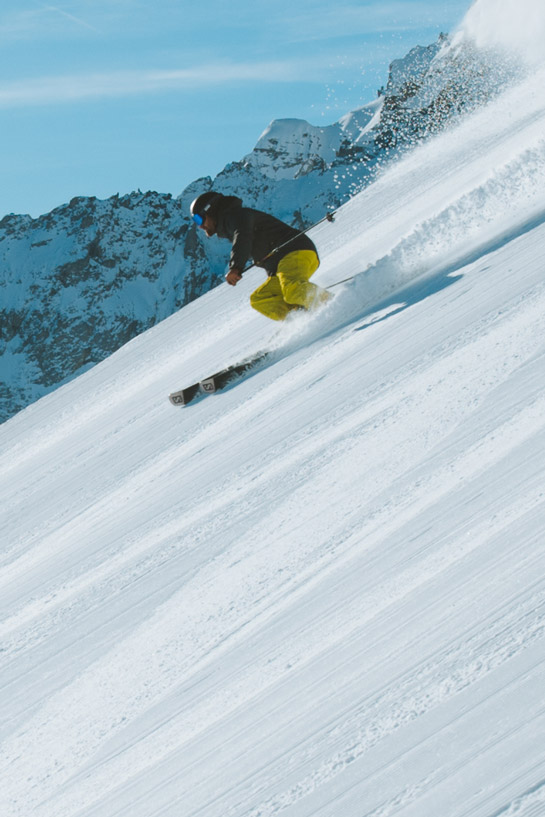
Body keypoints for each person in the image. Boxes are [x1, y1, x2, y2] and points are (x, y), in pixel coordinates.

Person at [189, 191, 331, 321]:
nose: (200, 226)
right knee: (261, 298)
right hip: (284, 263)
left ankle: (331, 304)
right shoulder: (229, 224)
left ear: (211, 210)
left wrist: (235, 267)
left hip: (296, 252)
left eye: (199, 219)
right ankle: (302, 319)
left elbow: (243, 237)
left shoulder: (236, 216)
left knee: (292, 291)